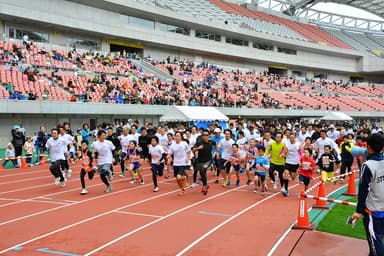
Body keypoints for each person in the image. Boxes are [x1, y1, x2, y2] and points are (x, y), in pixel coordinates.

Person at [352, 133, 384, 256]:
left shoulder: (368, 166)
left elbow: (363, 190)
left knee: (375, 240)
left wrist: (359, 210)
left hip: (373, 210)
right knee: (376, 239)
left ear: (368, 147)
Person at [192, 129, 213, 195]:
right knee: (199, 171)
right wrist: (196, 149)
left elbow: (213, 145)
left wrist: (217, 150)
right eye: (203, 135)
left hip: (208, 160)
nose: (204, 136)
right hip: (200, 160)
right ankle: (205, 185)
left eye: (206, 135)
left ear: (209, 136)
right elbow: (193, 150)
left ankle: (205, 185)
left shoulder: (211, 142)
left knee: (202, 170)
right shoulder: (199, 142)